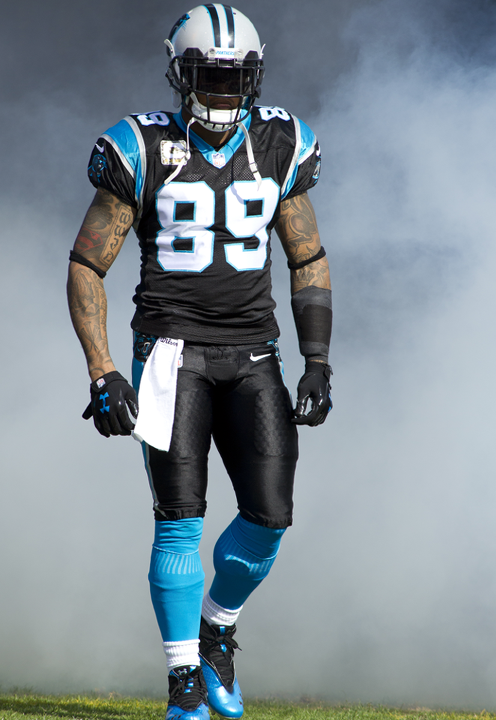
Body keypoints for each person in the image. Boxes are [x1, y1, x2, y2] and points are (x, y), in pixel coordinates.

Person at [67, 5, 332, 719]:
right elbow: (87, 265)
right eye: (208, 77)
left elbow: (306, 255)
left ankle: (217, 628)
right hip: (169, 354)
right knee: (179, 519)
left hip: (254, 352)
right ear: (179, 74)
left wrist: (316, 359)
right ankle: (182, 678)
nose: (221, 91)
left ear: (255, 77)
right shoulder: (143, 145)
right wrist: (102, 371)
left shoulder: (280, 142)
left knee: (270, 516)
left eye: (234, 77)